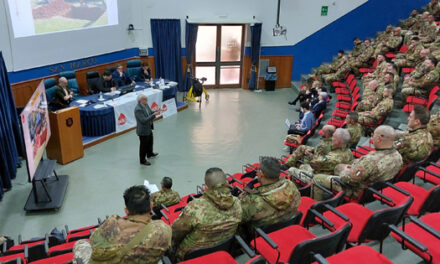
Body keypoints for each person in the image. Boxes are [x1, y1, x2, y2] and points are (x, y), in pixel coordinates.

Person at [312, 125, 403, 201]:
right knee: (339, 166)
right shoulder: (398, 156)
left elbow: (349, 179)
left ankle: (316, 205)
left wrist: (344, 170)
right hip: (375, 190)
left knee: (317, 178)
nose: (372, 137)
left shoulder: (370, 161)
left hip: (356, 190)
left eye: (373, 135)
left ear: (379, 139)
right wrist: (353, 166)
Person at [88, 185, 171, 263]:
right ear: (151, 206)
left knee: (81, 244)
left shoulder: (111, 224)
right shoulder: (164, 230)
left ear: (126, 211)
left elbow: (93, 242)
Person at [172, 168, 241, 261]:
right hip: (222, 250)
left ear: (206, 186)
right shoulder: (237, 202)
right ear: (226, 183)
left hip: (191, 256)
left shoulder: (195, 207)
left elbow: (176, 233)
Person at [240, 156, 300, 230]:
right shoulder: (290, 185)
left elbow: (239, 218)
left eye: (258, 169)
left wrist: (245, 193)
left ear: (261, 173)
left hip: (263, 236)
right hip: (288, 226)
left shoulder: (251, 200)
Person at [287, 128, 354, 180]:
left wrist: (309, 154)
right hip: (327, 172)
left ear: (338, 141)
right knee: (301, 165)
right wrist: (313, 150)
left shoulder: (332, 158)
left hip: (317, 177)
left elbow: (313, 163)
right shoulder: (348, 151)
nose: (331, 138)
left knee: (291, 170)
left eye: (333, 137)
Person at [135, 94, 161, 166]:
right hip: (143, 130)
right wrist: (154, 115)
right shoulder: (138, 109)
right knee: (143, 146)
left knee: (150, 142)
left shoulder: (146, 105)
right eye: (145, 99)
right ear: (140, 101)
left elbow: (149, 113)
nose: (146, 100)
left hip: (149, 128)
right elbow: (143, 120)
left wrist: (156, 112)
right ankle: (142, 160)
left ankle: (150, 153)